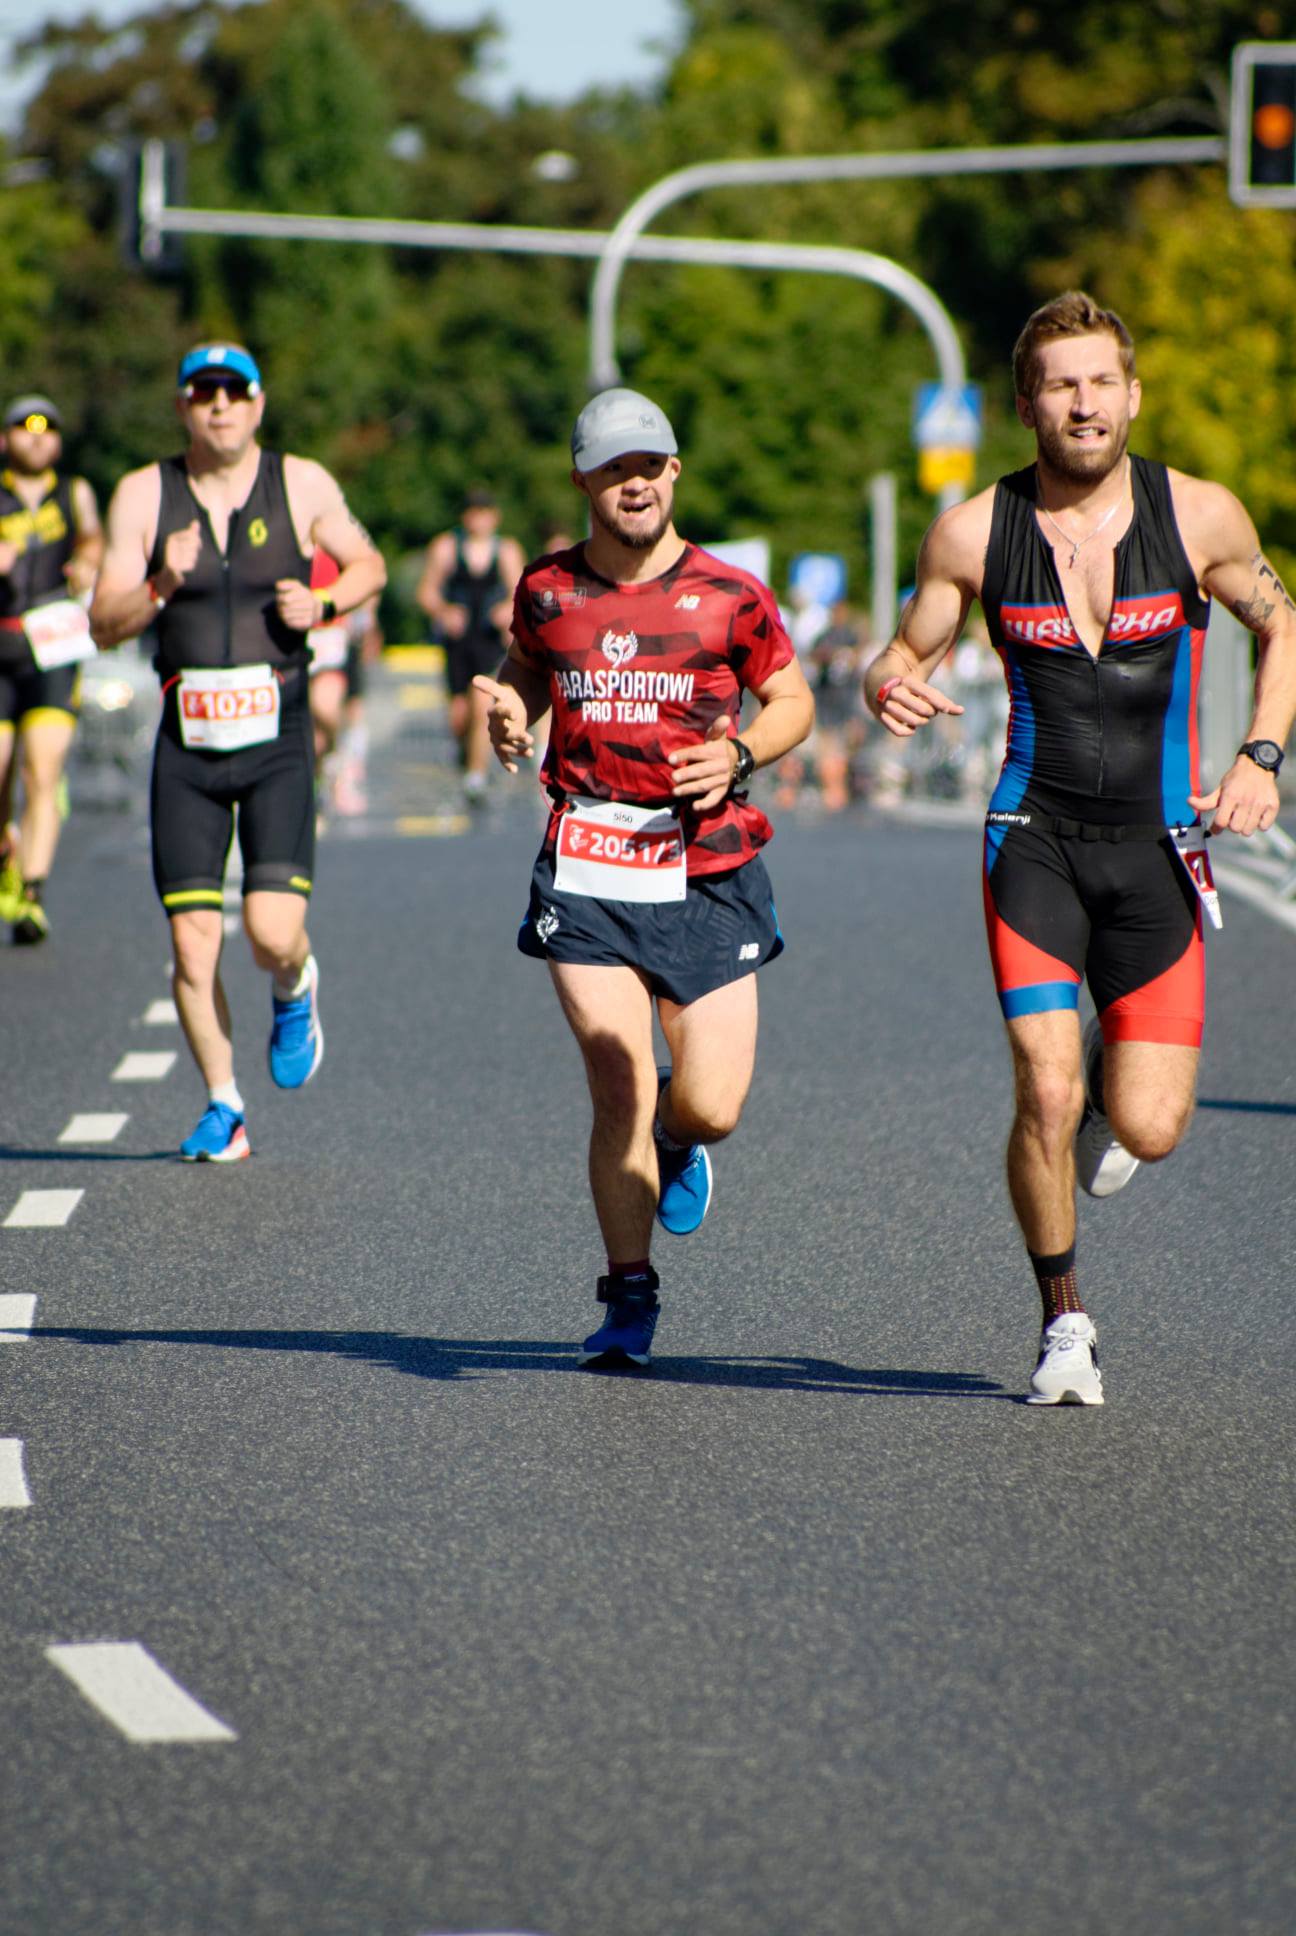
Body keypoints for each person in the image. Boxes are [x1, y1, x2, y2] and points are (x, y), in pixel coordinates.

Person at [864, 290, 1296, 1406]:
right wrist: (888, 684)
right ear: (1025, 406)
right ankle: (1063, 1321)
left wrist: (1260, 754)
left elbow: (1283, 620)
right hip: (1033, 840)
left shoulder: (1198, 517)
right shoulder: (972, 531)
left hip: (1156, 849)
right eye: (1061, 384)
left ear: (1133, 395)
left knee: (1147, 1122)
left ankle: (1114, 1096)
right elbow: (903, 646)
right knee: (1043, 1092)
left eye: (1102, 381)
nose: (1084, 402)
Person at [474, 386, 815, 1369]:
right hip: (587, 867)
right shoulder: (549, 590)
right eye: (613, 469)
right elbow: (529, 669)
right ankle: (628, 1292)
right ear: (585, 480)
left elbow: (789, 697)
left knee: (710, 1103)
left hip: (708, 866)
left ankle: (679, 1138)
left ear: (675, 473)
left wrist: (743, 752)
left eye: (649, 465)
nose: (634, 484)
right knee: (617, 1075)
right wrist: (511, 710)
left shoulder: (733, 596)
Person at [90, 342, 386, 1161]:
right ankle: (225, 1104)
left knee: (269, 931)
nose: (218, 405)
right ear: (183, 406)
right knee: (192, 942)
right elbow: (100, 620)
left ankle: (295, 984)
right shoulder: (145, 496)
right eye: (201, 392)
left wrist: (323, 600)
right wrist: (156, 584)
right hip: (185, 745)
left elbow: (371, 565)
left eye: (234, 391)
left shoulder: (302, 483)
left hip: (277, 741)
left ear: (258, 404)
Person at [0, 394, 103, 943]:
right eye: (24, 427)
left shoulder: (74, 492)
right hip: (2, 642)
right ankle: (5, 854)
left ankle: (33, 893)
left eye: (47, 428)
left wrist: (87, 559)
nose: (37, 436)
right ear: (5, 439)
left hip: (53, 648)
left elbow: (91, 533)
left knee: (43, 770)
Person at [416, 488, 525, 805]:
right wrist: (443, 612)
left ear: (494, 516)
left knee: (481, 708)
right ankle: (467, 757)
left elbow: (521, 593)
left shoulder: (505, 551)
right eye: (473, 513)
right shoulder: (447, 548)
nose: (478, 520)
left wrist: (508, 613)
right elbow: (427, 592)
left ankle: (475, 777)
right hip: (459, 642)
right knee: (459, 716)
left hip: (490, 641)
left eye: (484, 512)